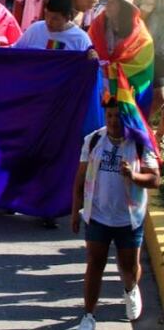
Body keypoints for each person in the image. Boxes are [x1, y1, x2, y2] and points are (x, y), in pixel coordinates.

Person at [72, 99, 160, 329]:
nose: (112, 121)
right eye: (109, 116)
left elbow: (154, 179)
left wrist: (134, 176)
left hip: (128, 219)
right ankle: (88, 316)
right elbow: (80, 179)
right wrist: (75, 211)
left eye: (117, 117)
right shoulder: (93, 141)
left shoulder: (140, 143)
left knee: (129, 268)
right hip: (98, 216)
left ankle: (130, 289)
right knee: (94, 264)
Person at [14, 0, 93, 51]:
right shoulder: (35, 29)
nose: (49, 21)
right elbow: (16, 52)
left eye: (55, 18)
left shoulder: (80, 39)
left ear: (67, 18)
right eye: (47, 15)